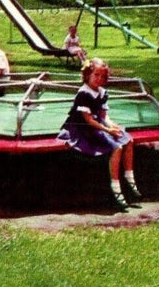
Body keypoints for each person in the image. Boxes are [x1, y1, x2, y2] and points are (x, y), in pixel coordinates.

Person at [56, 57, 141, 212]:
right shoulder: (84, 93)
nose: (99, 79)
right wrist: (108, 130)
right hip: (83, 128)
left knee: (128, 140)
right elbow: (88, 120)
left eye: (102, 76)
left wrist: (112, 126)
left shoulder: (102, 92)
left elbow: (103, 115)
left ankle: (130, 178)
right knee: (117, 148)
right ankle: (116, 187)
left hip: (98, 124)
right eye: (96, 75)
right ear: (88, 74)